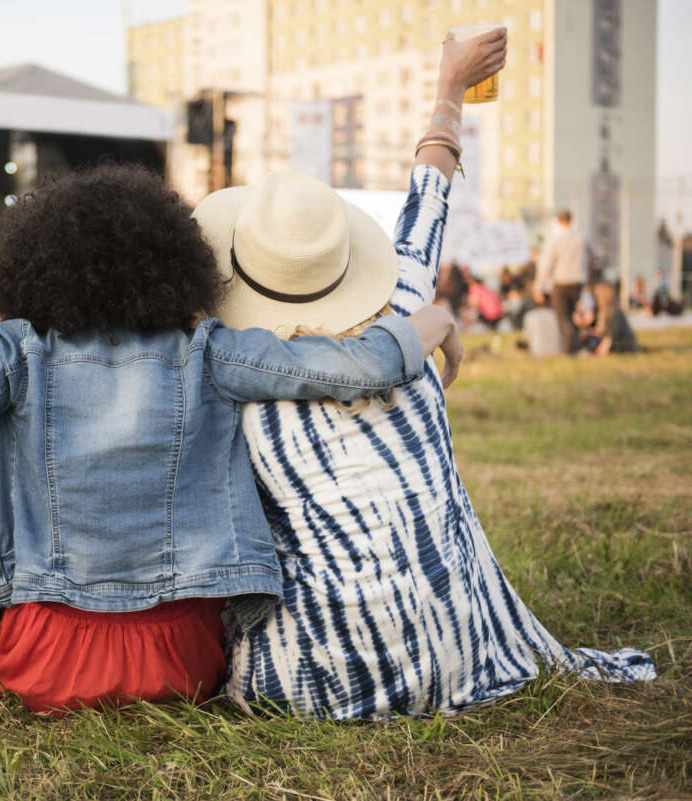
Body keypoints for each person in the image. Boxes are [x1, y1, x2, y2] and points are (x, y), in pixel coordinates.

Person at [0, 165, 462, 715]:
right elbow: (355, 367)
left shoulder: (14, 351)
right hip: (184, 660)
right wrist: (439, 322)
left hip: (40, 659)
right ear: (175, 261)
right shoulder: (209, 351)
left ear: (38, 262)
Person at [193, 26, 654, 719]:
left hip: (311, 683)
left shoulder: (222, 365)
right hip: (460, 656)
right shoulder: (406, 302)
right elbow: (428, 193)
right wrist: (450, 88)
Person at [535, 210, 588, 354]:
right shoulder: (581, 238)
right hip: (578, 282)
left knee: (563, 318)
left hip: (561, 281)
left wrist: (539, 286)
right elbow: (591, 259)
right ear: (571, 220)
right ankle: (576, 347)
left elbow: (546, 264)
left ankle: (567, 349)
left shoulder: (555, 239)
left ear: (558, 221)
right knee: (574, 316)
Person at [591, 281, 638, 355]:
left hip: (623, 346)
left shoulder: (613, 313)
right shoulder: (604, 311)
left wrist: (597, 352)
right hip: (613, 344)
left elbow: (609, 338)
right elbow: (600, 332)